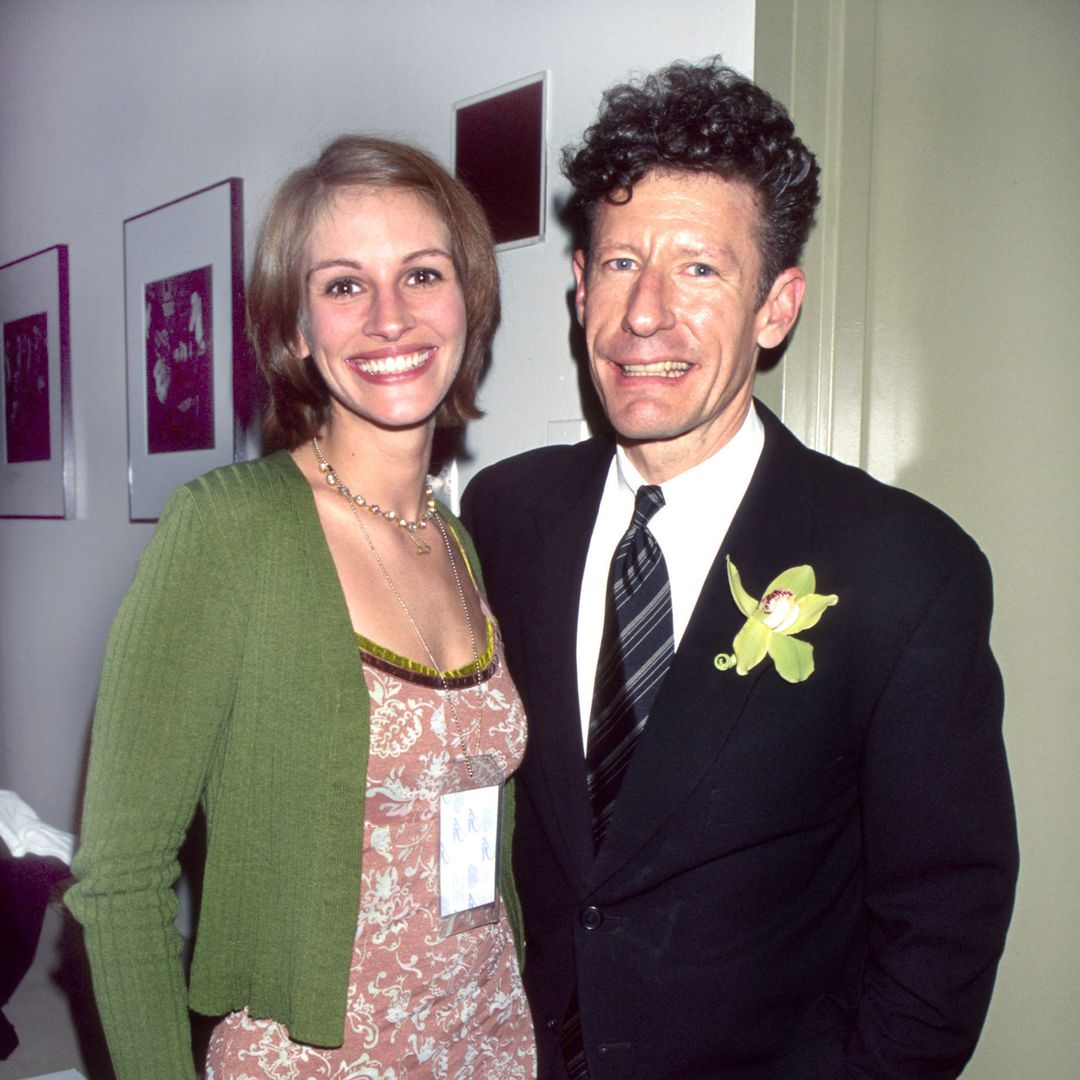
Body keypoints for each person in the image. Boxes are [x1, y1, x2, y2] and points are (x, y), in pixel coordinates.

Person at [461, 58, 1017, 1079]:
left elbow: (945, 917)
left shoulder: (906, 569)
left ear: (775, 307)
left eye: (700, 270)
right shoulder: (505, 513)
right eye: (621, 263)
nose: (645, 314)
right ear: (580, 286)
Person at [67, 135, 536, 1079]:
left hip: (491, 1040)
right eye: (344, 285)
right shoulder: (229, 530)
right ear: (295, 331)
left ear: (469, 305)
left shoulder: (457, 542)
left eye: (422, 274)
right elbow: (118, 882)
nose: (390, 317)